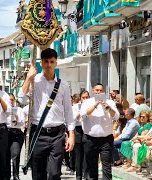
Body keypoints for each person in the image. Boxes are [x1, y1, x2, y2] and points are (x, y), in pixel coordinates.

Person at [18, 48, 75, 180]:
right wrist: (28, 78)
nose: (49, 65)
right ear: (41, 63)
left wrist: (71, 135)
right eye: (46, 61)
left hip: (58, 134)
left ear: (56, 63)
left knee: (54, 173)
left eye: (51, 61)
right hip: (38, 133)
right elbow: (21, 99)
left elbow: (68, 110)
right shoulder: (34, 81)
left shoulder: (64, 85)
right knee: (38, 173)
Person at [80, 83, 120, 180]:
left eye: (101, 90)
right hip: (90, 139)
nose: (99, 92)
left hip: (106, 139)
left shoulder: (110, 102)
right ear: (93, 91)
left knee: (106, 166)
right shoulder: (87, 102)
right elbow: (83, 115)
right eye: (97, 90)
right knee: (91, 166)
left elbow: (116, 116)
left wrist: (108, 108)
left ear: (104, 92)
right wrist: (95, 105)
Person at [5, 93, 25, 180]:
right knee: (6, 155)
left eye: (12, 100)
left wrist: (16, 117)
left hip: (16, 133)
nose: (10, 102)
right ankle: (7, 175)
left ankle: (16, 175)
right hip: (6, 133)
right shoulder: (4, 109)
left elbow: (22, 123)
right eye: (8, 100)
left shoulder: (20, 110)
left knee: (15, 154)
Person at [72, 90, 90, 180]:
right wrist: (82, 111)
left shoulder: (92, 106)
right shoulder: (75, 106)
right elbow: (74, 119)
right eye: (83, 97)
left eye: (87, 97)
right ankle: (78, 175)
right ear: (80, 98)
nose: (85, 99)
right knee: (79, 155)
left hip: (88, 130)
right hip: (78, 130)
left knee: (87, 154)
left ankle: (86, 174)